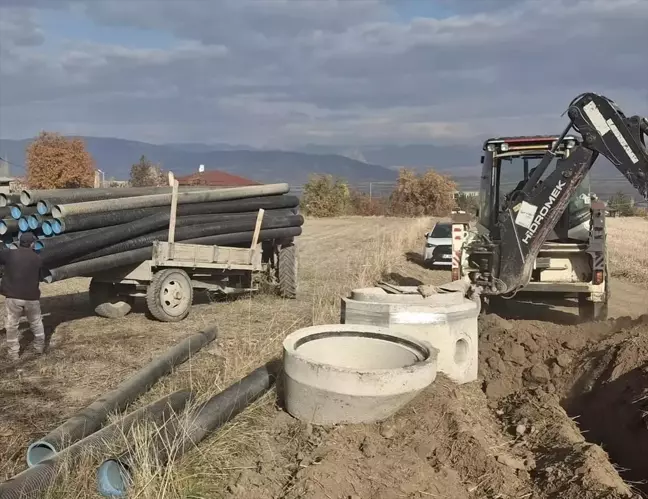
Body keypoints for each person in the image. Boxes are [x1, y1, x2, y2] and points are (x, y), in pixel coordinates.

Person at [0, 232, 47, 361]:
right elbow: (41, 277)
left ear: (20, 242)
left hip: (13, 297)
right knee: (36, 322)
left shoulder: (10, 254)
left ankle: (13, 353)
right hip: (31, 298)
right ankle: (39, 347)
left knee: (11, 325)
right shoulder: (38, 259)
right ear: (32, 244)